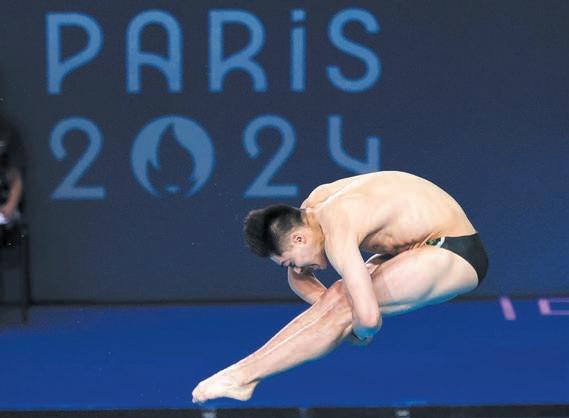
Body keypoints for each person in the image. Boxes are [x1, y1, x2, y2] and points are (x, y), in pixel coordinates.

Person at [192, 171, 488, 403]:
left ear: (298, 239)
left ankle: (243, 377)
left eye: (290, 262)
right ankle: (243, 374)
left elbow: (369, 320)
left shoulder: (337, 226)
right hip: (419, 244)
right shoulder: (313, 208)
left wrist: (355, 329)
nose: (297, 269)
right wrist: (332, 313)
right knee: (341, 299)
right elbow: (298, 279)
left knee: (346, 304)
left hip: (455, 250)